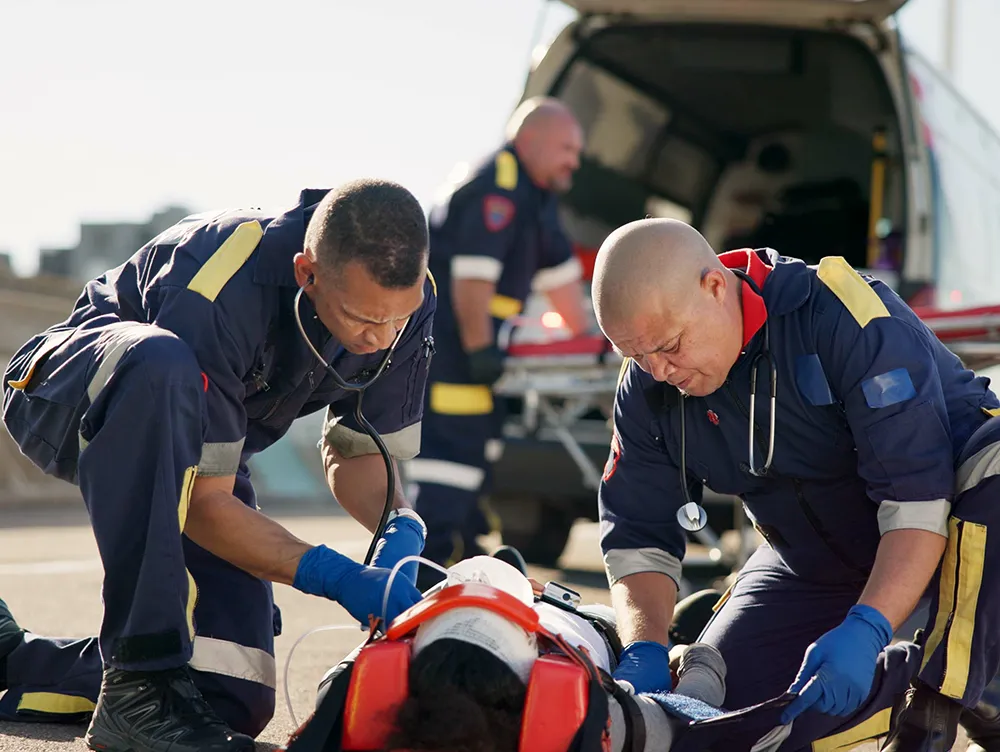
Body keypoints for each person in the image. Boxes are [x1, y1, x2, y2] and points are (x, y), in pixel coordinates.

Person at [0, 181, 439, 752]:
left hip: (199, 450)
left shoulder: (403, 299)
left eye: (395, 322)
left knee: (230, 689)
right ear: (307, 273)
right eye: (361, 319)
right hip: (77, 394)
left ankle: (15, 658)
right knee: (161, 363)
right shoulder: (220, 283)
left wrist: (397, 525)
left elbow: (358, 453)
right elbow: (204, 506)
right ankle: (138, 684)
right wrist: (337, 576)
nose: (380, 340)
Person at [589, 218, 1000, 751]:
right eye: (637, 355)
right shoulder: (646, 382)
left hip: (946, 530)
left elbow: (917, 504)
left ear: (715, 286)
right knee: (710, 715)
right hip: (810, 561)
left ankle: (947, 700)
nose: (658, 370)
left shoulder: (844, 318)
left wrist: (868, 627)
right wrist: (642, 648)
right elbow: (637, 534)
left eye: (668, 346)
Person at [405, 96, 593, 575]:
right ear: (528, 141)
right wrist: (481, 350)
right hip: (450, 350)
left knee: (478, 451)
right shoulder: (496, 191)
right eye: (567, 148)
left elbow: (564, 284)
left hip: (476, 353)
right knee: (451, 458)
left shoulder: (538, 196)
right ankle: (424, 567)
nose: (576, 160)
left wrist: (599, 340)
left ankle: (463, 554)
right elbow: (472, 283)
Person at [296, 554, 731, 752]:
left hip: (558, 616)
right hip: (591, 624)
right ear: (531, 651)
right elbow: (690, 712)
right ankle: (682, 623)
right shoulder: (582, 718)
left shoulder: (355, 699)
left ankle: (512, 573)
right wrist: (688, 656)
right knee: (685, 623)